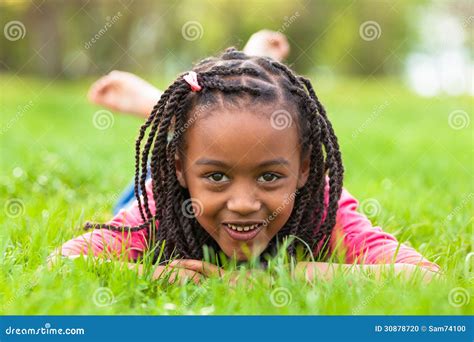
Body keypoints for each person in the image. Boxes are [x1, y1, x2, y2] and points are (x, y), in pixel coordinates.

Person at [49, 38, 440, 285]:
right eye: (218, 176)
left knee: (229, 132)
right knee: (208, 136)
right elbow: (63, 264)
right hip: (164, 178)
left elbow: (426, 279)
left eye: (269, 176)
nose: (243, 203)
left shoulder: (322, 207)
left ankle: (228, 89)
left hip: (209, 156)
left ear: (305, 169)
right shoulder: (160, 206)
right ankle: (171, 114)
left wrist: (291, 276)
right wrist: (156, 273)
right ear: (182, 171)